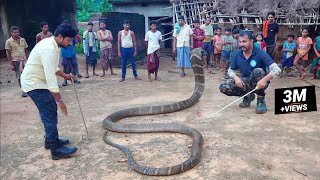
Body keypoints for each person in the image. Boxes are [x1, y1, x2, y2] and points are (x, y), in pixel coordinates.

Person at [21, 22, 78, 160]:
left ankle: (51, 141)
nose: (70, 44)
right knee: (49, 113)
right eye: (69, 40)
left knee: (49, 111)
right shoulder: (49, 49)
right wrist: (60, 100)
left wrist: (65, 75)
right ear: (59, 37)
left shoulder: (53, 44)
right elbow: (50, 78)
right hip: (34, 83)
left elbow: (52, 67)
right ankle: (55, 149)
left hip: (38, 82)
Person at [219, 30, 281, 114]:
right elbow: (230, 70)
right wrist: (236, 78)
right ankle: (248, 96)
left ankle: (260, 100)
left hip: (260, 82)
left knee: (258, 72)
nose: (241, 44)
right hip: (245, 81)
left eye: (244, 41)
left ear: (251, 41)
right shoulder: (237, 54)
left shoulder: (260, 53)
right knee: (224, 87)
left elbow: (277, 70)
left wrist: (264, 80)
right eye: (240, 42)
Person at [5, 26, 29, 97]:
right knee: (19, 76)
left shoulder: (23, 40)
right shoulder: (8, 41)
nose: (17, 34)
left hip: (24, 60)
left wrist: (29, 59)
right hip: (16, 61)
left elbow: (26, 50)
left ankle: (28, 89)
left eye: (18, 32)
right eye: (15, 32)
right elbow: (8, 53)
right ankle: (23, 90)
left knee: (27, 75)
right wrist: (11, 64)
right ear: (11, 33)